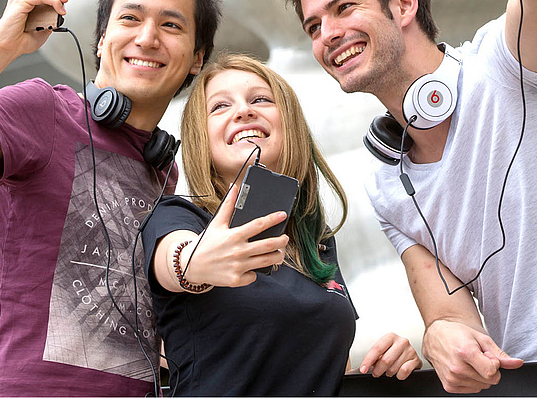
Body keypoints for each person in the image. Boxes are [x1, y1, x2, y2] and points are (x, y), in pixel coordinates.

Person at [274, 0, 537, 395]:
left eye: (344, 8)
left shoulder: (505, 64)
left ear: (403, 5)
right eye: (313, 26)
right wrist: (441, 338)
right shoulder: (388, 181)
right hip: (530, 379)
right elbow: (449, 312)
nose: (327, 34)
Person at [0, 0, 221, 396]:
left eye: (171, 25)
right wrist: (1, 46)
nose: (148, 37)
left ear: (196, 57)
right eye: (130, 19)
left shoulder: (164, 172)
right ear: (99, 39)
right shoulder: (42, 111)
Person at [141, 53, 422, 396]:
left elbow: (320, 364)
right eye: (219, 106)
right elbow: (175, 259)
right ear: (201, 138)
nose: (243, 111)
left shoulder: (315, 241)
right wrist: (195, 263)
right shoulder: (179, 216)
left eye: (260, 99)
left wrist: (386, 362)